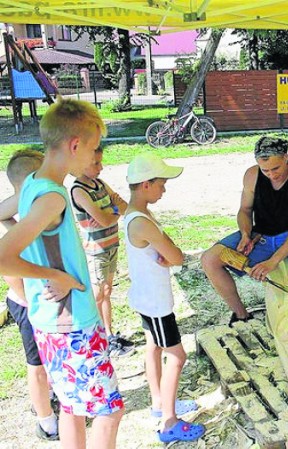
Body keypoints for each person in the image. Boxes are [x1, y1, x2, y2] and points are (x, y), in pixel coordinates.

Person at [0, 98, 124, 448]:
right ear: (75, 145)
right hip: (74, 326)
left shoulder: (33, 184)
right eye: (94, 149)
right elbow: (3, 255)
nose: (94, 158)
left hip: (49, 322)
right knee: (108, 410)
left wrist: (44, 273)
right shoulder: (53, 196)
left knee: (72, 406)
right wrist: (54, 276)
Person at [201, 136, 288, 340]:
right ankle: (242, 315)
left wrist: (273, 261)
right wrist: (244, 233)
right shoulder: (252, 175)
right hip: (262, 235)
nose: (271, 175)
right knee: (209, 259)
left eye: (275, 168)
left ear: (286, 157)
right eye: (265, 170)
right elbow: (244, 210)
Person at [123, 153, 205, 443]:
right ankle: (169, 422)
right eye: (161, 183)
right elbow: (176, 255)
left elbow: (168, 250)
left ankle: (159, 403)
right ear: (146, 184)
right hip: (156, 302)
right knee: (177, 355)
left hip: (145, 297)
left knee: (153, 347)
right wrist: (172, 254)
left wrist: (169, 252)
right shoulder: (142, 222)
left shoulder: (136, 213)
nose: (164, 189)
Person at [0, 149, 59, 441]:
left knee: (48, 362)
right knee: (35, 366)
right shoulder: (27, 210)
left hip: (41, 303)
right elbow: (11, 275)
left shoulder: (33, 216)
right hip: (28, 304)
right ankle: (46, 421)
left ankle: (50, 395)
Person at [70, 146, 133, 357]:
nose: (101, 167)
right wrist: (112, 211)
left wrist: (109, 212)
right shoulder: (78, 190)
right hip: (96, 251)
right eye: (95, 164)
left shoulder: (98, 183)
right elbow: (109, 215)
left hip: (111, 245)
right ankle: (95, 338)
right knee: (97, 294)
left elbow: (123, 205)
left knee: (107, 291)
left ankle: (107, 334)